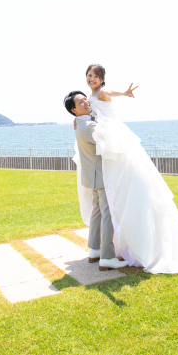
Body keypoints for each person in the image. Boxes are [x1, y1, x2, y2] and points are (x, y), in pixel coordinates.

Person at [83, 63, 178, 274]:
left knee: (126, 182)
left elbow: (111, 93)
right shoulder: (90, 95)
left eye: (95, 76)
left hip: (114, 140)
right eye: (89, 75)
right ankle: (111, 244)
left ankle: (125, 243)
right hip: (106, 142)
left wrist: (124, 92)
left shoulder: (102, 92)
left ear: (102, 79)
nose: (91, 78)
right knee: (114, 190)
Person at [64, 90, 128, 271]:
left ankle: (94, 250)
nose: (86, 102)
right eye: (80, 102)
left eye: (85, 99)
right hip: (100, 176)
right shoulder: (90, 127)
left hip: (91, 176)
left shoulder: (79, 123)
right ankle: (107, 257)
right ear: (74, 110)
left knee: (97, 212)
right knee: (107, 213)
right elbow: (109, 142)